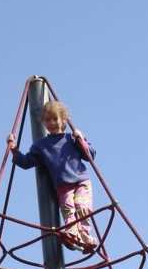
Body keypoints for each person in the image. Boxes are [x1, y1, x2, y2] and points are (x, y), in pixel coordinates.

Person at [7, 100, 98, 253]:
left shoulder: (71, 139)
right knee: (68, 210)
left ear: (63, 120)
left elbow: (90, 156)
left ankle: (86, 238)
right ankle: (72, 235)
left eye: (55, 119)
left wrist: (81, 138)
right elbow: (26, 162)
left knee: (82, 207)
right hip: (63, 185)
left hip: (81, 181)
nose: (51, 123)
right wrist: (14, 150)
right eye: (47, 120)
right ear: (43, 122)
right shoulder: (41, 146)